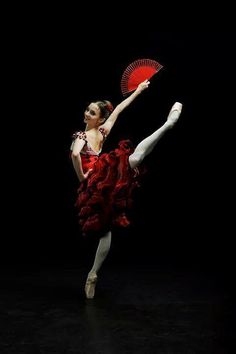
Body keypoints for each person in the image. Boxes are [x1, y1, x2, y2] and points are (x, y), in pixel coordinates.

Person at [70, 79, 182, 299]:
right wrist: (138, 91)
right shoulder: (100, 132)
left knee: (133, 159)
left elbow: (76, 154)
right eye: (87, 110)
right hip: (98, 182)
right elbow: (119, 109)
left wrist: (82, 177)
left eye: (91, 113)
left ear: (100, 118)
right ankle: (92, 275)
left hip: (96, 180)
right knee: (105, 229)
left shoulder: (82, 136)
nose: (86, 114)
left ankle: (168, 124)